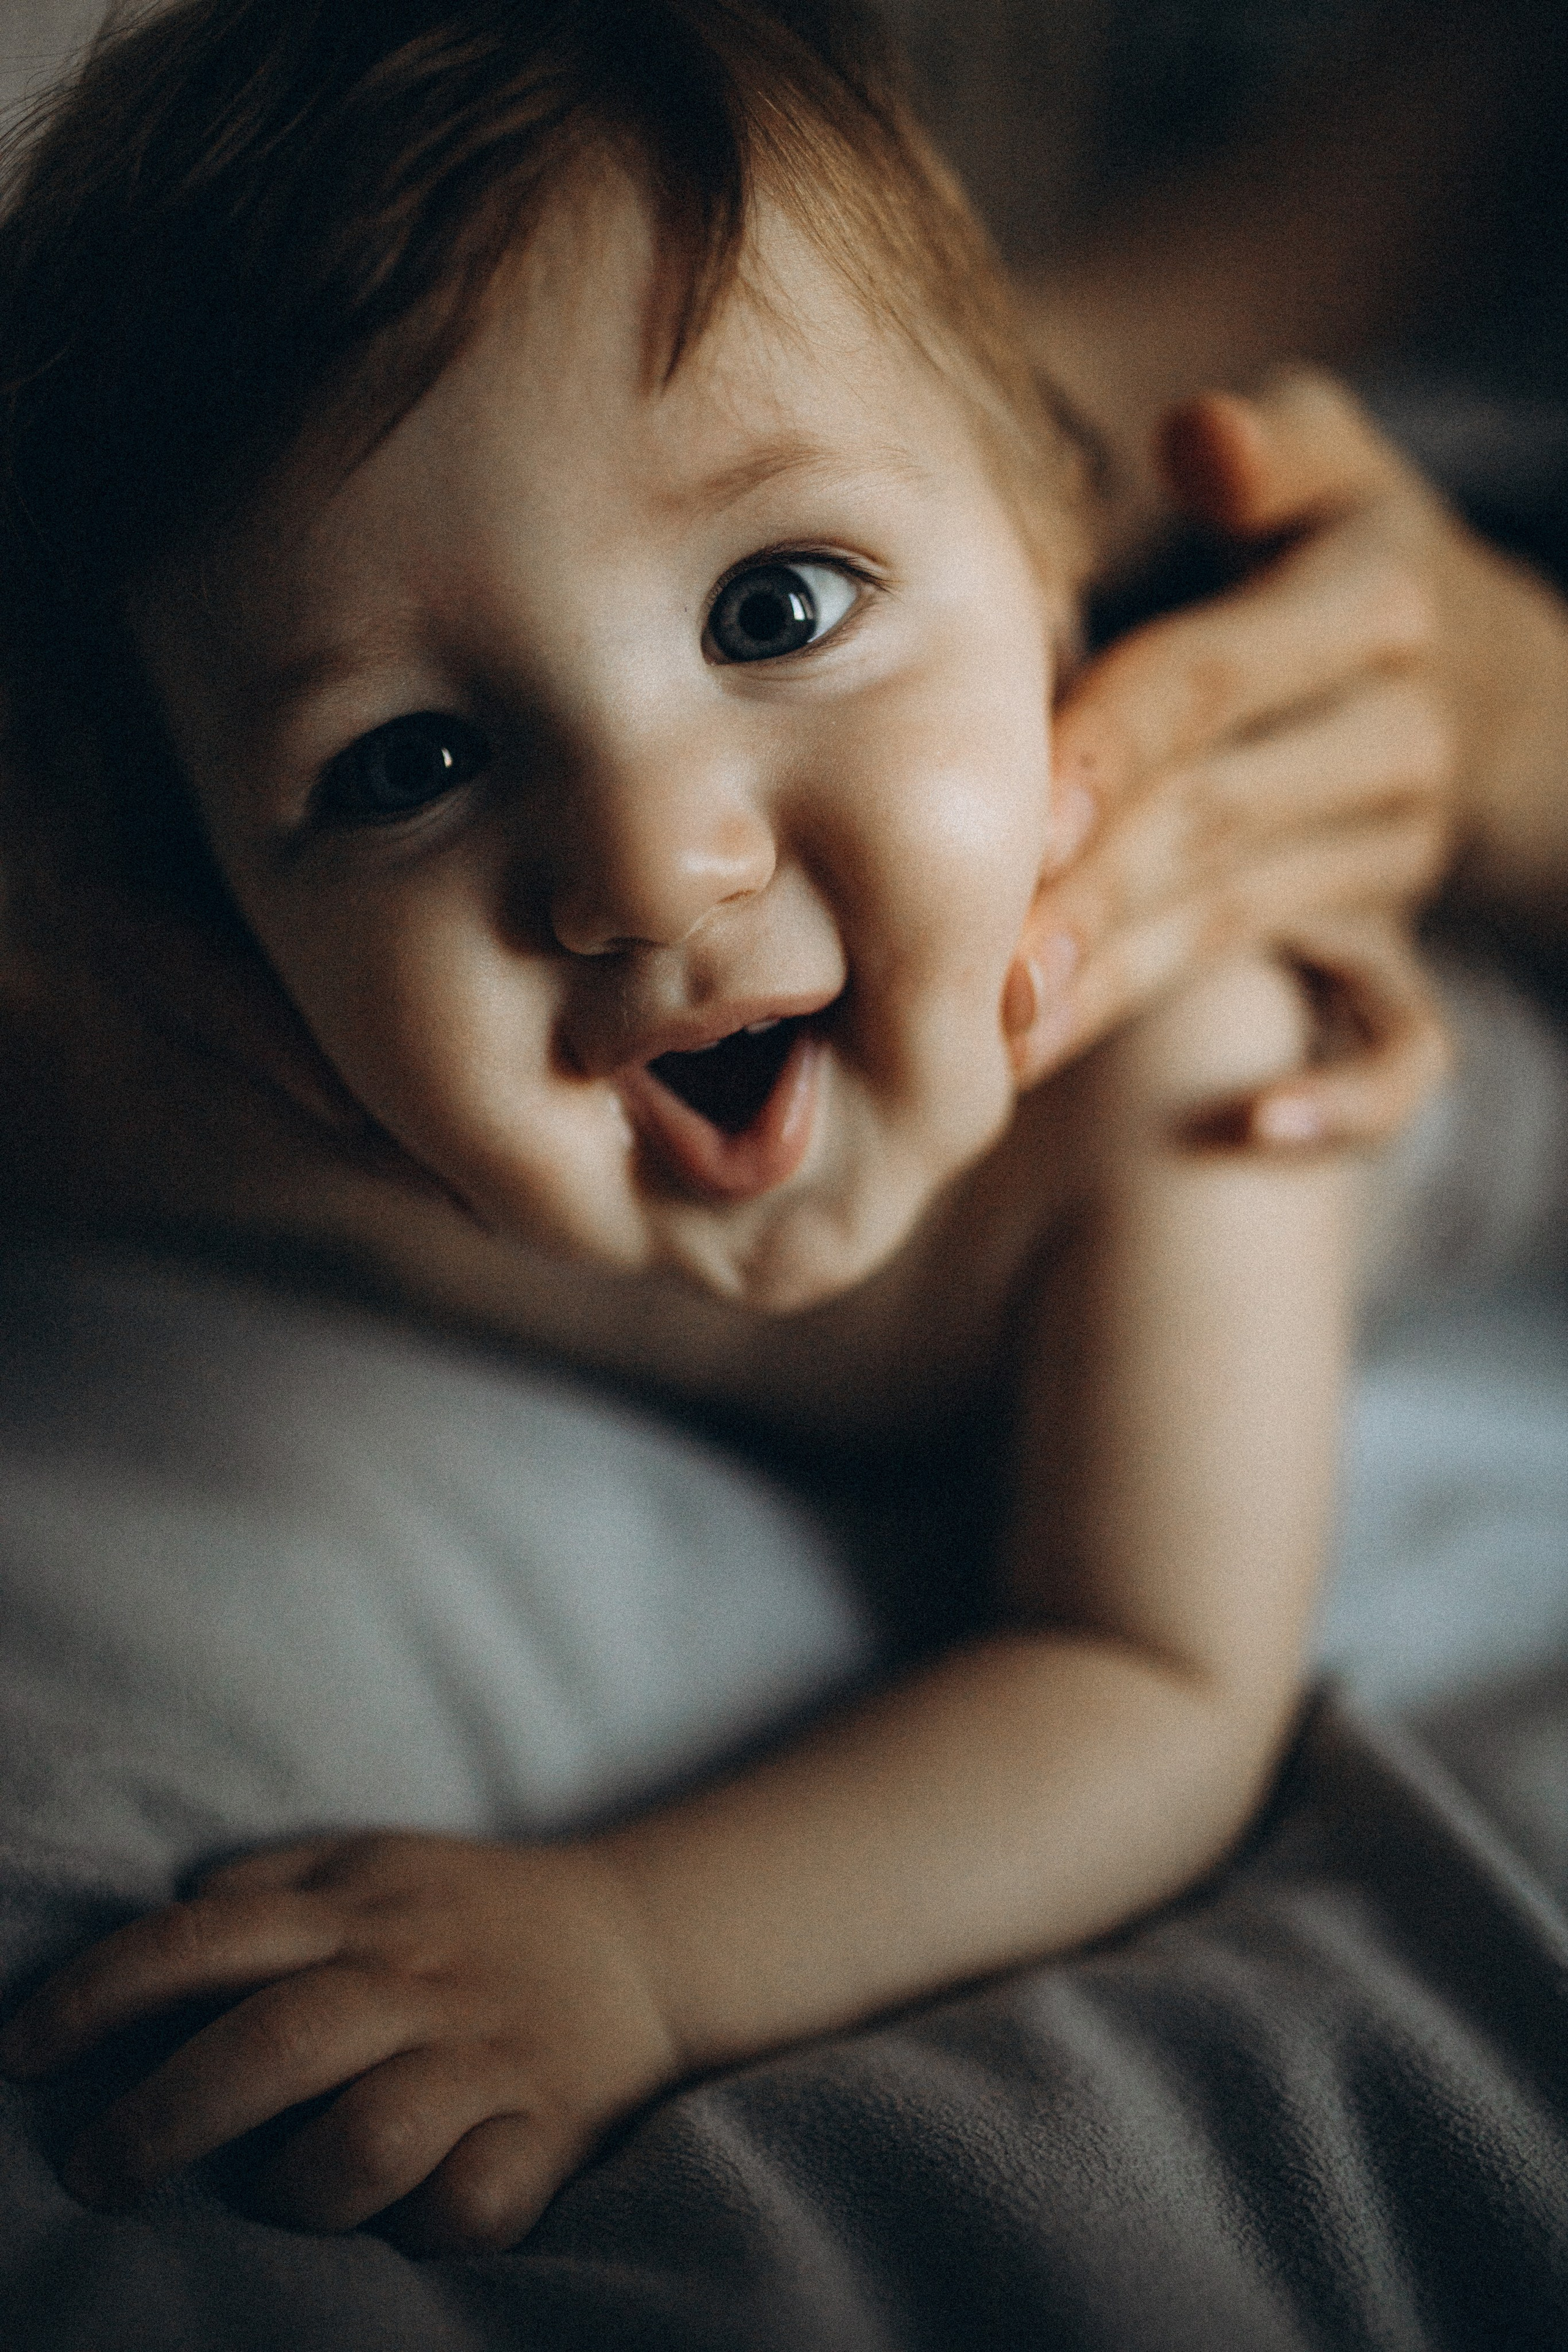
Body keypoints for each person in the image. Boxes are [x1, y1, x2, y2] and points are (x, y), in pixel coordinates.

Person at [0, 0, 1540, 2264]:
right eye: (408, 763)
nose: (650, 862)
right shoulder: (240, 1083)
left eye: (776, 606)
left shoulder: (1189, 1053)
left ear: (1047, 573)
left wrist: (628, 1946)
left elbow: (1145, 1682)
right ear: (214, 936)